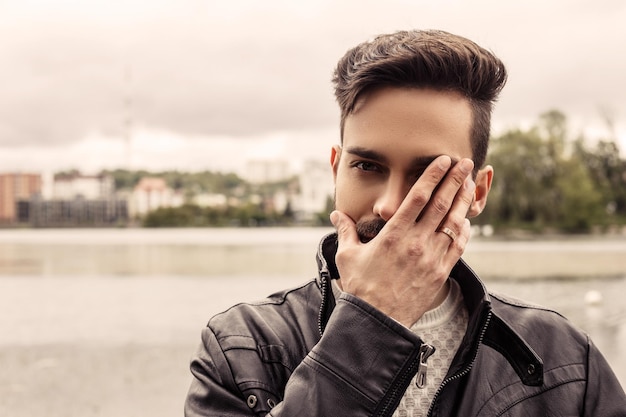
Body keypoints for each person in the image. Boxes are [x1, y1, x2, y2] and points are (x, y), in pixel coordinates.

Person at [184, 30, 626, 416]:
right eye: (367, 167)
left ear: (479, 191)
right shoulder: (241, 349)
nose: (391, 205)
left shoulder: (566, 361)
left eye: (427, 174)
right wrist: (375, 320)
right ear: (336, 169)